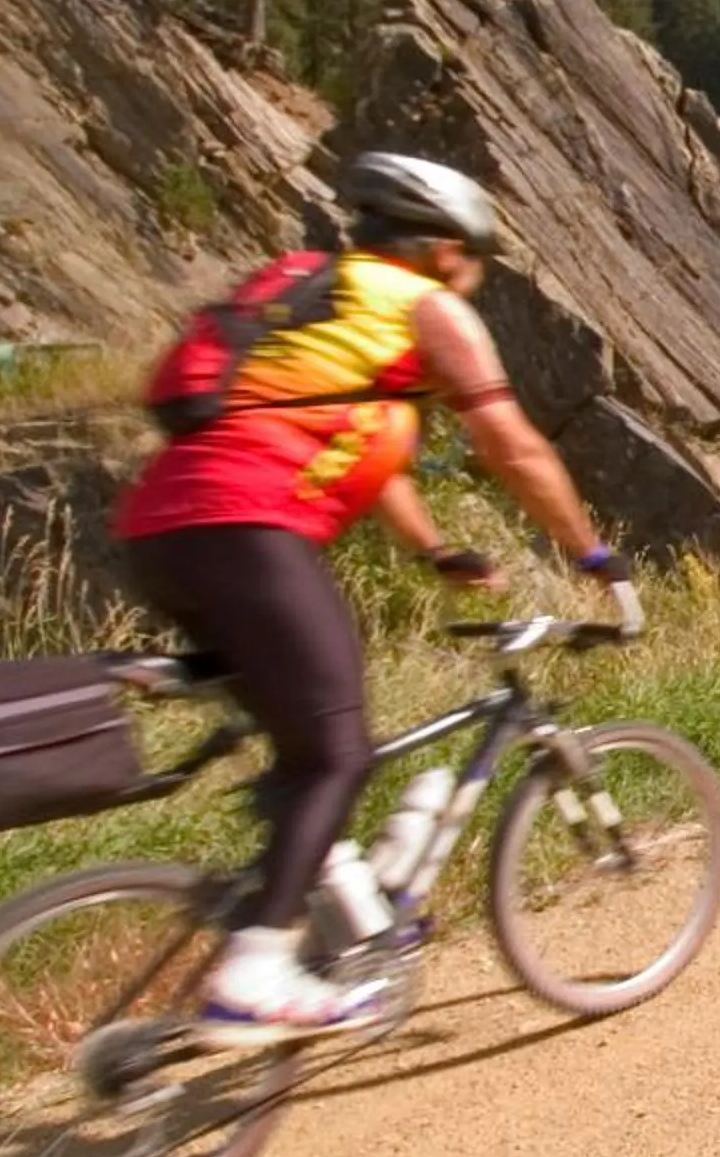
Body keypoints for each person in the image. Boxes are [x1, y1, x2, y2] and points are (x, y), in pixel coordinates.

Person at [114, 152, 632, 1041]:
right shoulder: (427, 309)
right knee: (338, 755)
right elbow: (515, 448)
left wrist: (434, 549)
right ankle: (255, 971)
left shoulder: (307, 293)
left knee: (301, 747)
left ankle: (340, 924)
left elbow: (357, 433)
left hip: (157, 533)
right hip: (248, 529)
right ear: (439, 249)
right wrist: (594, 558)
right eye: (475, 257)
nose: (476, 276)